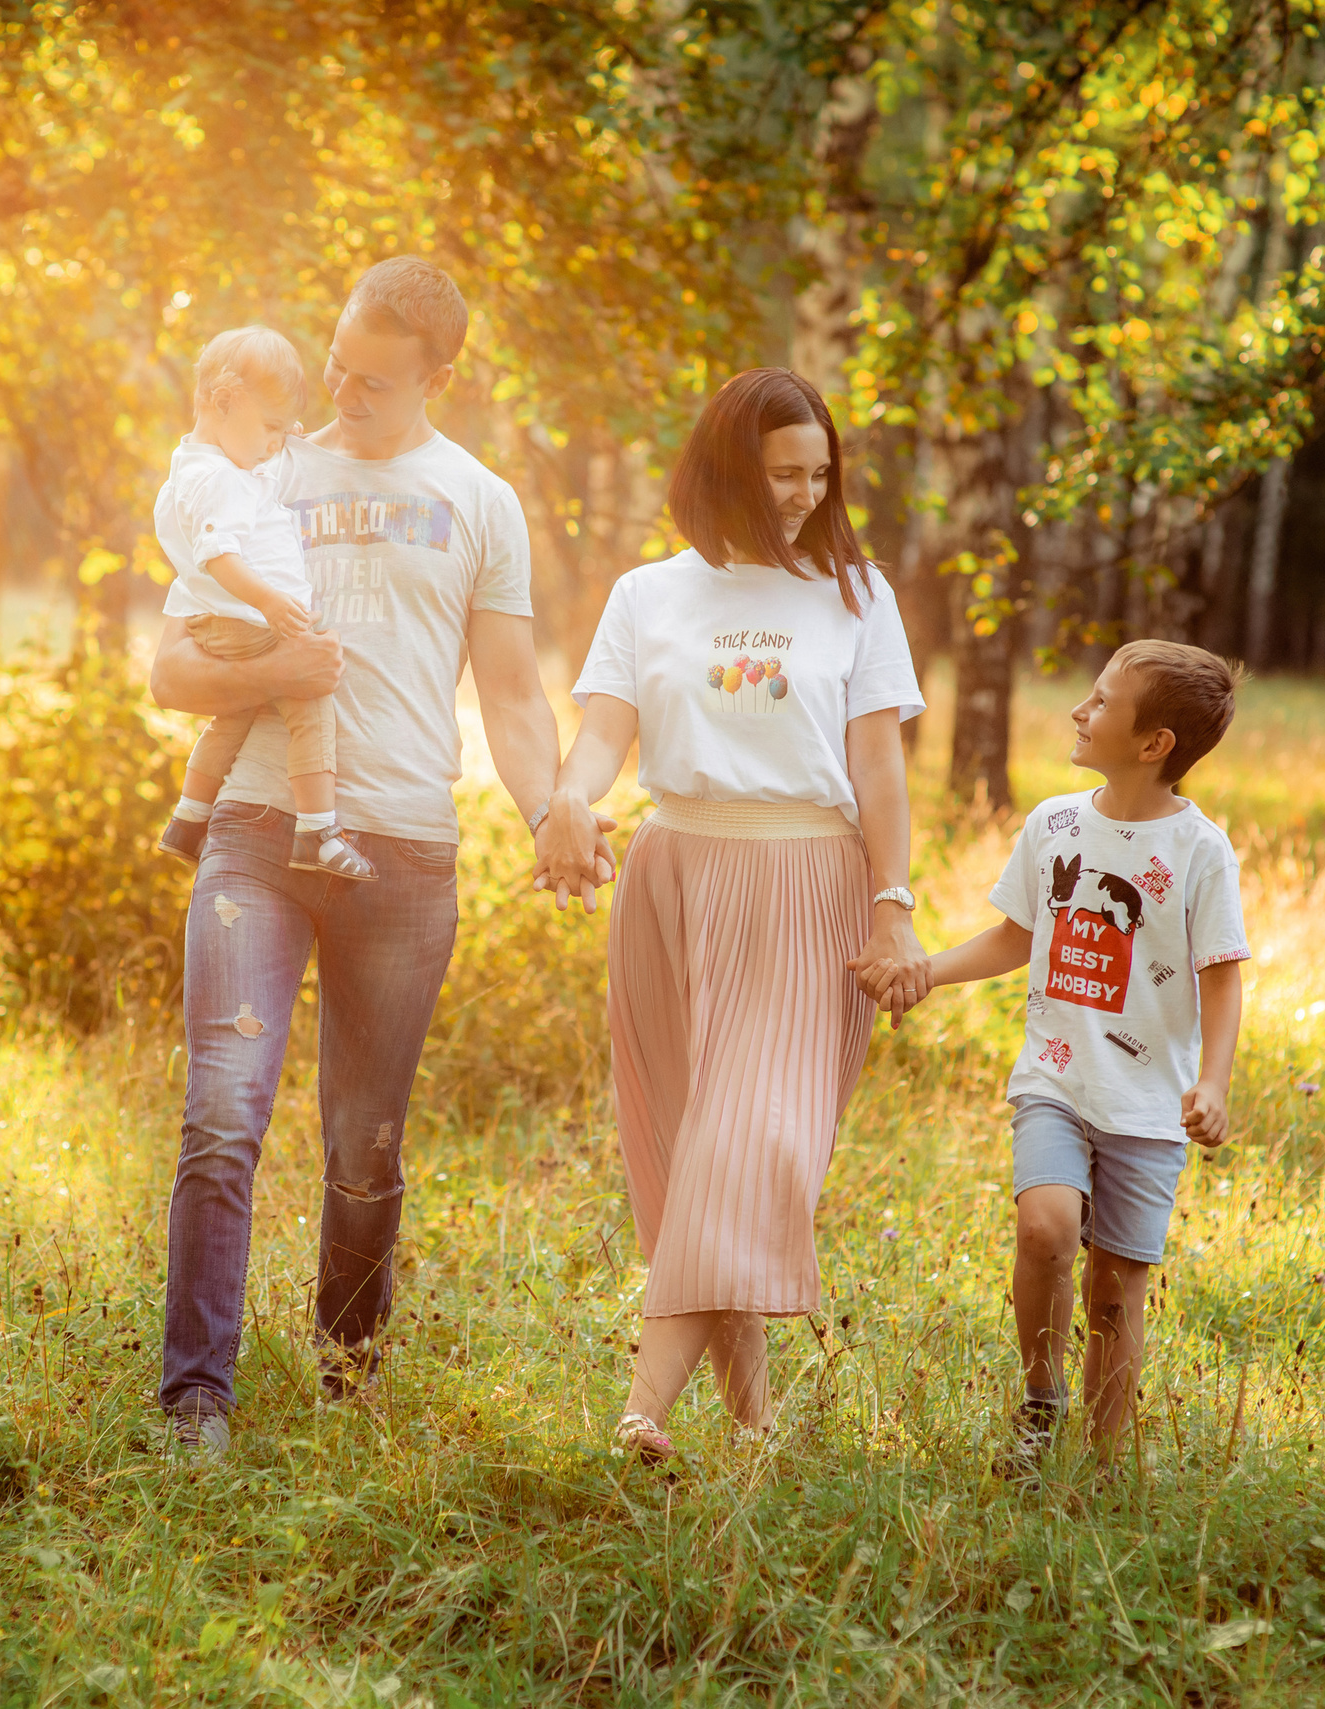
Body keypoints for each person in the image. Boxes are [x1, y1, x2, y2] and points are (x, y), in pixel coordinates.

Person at [147, 258, 578, 1460]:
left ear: (439, 377)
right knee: (222, 1109)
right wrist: (269, 677)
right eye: (334, 362)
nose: (340, 391)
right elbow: (171, 671)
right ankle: (195, 1399)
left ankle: (349, 1376)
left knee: (364, 1145)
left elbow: (510, 692)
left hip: (403, 852)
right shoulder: (263, 470)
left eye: (373, 381)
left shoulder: (481, 501)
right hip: (257, 832)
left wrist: (553, 810)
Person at [534, 367, 926, 1463]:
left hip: (809, 882)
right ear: (727, 471)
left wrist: (892, 905)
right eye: (782, 472)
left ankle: (640, 1409)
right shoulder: (647, 594)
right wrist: (571, 801)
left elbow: (879, 769)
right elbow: (605, 733)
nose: (805, 493)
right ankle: (756, 1429)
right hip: (672, 877)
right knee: (689, 1146)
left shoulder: (856, 595)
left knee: (751, 1146)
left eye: (819, 472)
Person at [919, 640, 1249, 1478]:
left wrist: (1212, 1082)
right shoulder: (1054, 825)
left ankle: (1099, 1468)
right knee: (1045, 1227)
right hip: (1057, 1077)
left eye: (1101, 701)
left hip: (1148, 1103)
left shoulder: (1199, 851)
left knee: (1115, 1291)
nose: (1079, 709)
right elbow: (1015, 935)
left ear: (1153, 744)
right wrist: (927, 971)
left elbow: (1222, 977)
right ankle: (1040, 1402)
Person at [154, 325, 375, 880]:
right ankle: (319, 831)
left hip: (220, 622)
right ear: (222, 401)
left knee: (232, 719)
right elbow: (219, 555)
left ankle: (187, 817)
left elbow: (253, 472)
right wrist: (272, 603)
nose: (276, 443)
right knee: (312, 705)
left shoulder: (201, 465)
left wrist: (279, 432)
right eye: (270, 428)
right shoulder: (221, 483)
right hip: (251, 617)